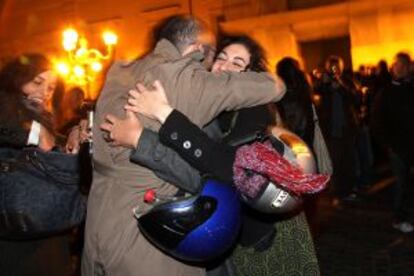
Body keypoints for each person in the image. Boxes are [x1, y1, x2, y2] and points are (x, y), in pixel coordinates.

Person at [102, 35, 323, 276]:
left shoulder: (255, 108)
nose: (225, 67)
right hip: (233, 231)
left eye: (237, 63)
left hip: (269, 236)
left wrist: (163, 113)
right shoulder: (214, 106)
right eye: (221, 58)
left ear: (251, 75)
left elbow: (231, 169)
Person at [0, 53, 79, 276]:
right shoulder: (8, 111)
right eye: (37, 82)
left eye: (51, 88)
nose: (43, 92)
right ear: (17, 79)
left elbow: (50, 149)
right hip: (14, 240)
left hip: (48, 236)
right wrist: (35, 133)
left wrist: (69, 142)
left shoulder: (42, 120)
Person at [371, 52, 414, 233]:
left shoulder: (411, 87)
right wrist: (388, 146)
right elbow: (377, 122)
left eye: (404, 65)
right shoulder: (386, 92)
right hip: (397, 147)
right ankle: (399, 218)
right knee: (400, 184)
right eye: (397, 65)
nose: (400, 68)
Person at [313, 55, 359, 206]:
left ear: (341, 67)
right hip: (331, 131)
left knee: (349, 161)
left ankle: (349, 189)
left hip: (347, 130)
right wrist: (323, 83)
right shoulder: (325, 83)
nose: (334, 70)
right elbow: (315, 91)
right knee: (335, 164)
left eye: (336, 66)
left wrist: (341, 85)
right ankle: (337, 193)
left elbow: (356, 98)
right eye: (331, 66)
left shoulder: (346, 81)